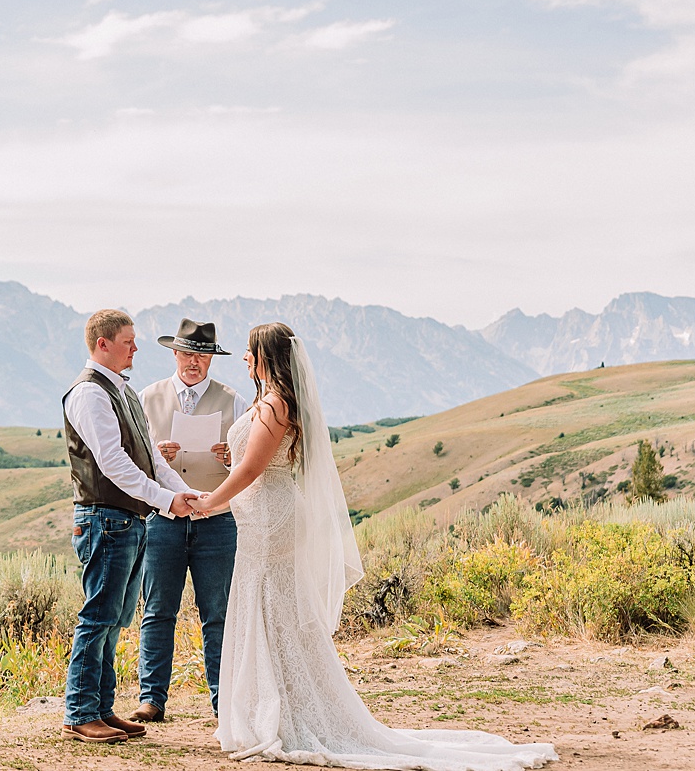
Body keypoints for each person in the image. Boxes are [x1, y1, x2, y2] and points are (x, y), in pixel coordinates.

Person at [198, 323, 557, 770]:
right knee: (272, 609)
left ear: (266, 356)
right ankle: (277, 707)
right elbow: (254, 462)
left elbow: (252, 471)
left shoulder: (274, 405)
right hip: (264, 515)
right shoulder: (273, 403)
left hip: (270, 518)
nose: (245, 359)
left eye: (250, 352)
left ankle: (283, 714)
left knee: (272, 607)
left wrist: (207, 502)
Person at [61, 309, 203, 744]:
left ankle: (101, 709)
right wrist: (164, 501)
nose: (136, 348)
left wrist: (185, 495)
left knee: (116, 618)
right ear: (102, 344)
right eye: (128, 341)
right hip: (104, 519)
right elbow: (113, 462)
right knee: (98, 616)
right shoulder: (89, 394)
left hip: (127, 521)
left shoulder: (124, 392)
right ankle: (80, 712)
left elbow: (152, 459)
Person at [133, 317, 248, 723]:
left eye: (201, 354)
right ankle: (151, 698)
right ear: (175, 354)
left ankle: (223, 700)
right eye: (186, 353)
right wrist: (153, 459)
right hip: (163, 518)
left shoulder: (235, 401)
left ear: (210, 359)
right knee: (158, 609)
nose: (192, 362)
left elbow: (252, 464)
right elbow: (129, 464)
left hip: (217, 520)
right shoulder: (147, 398)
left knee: (217, 612)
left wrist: (231, 458)